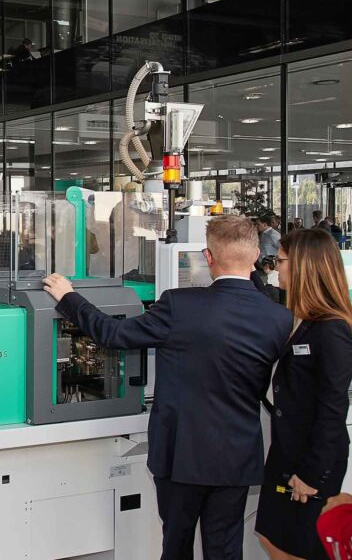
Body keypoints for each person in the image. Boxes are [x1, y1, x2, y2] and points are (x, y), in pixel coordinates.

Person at [42, 215, 292, 560]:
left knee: (176, 545)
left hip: (180, 455)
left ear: (208, 256)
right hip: (236, 457)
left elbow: (113, 334)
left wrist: (69, 297)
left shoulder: (179, 304)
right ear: (256, 256)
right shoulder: (279, 317)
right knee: (225, 549)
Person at [256, 229, 352, 560]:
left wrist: (311, 474)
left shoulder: (331, 329)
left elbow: (333, 408)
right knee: (271, 536)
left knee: (296, 545)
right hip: (288, 452)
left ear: (303, 266)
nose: (275, 267)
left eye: (280, 260)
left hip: (311, 461)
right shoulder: (301, 319)